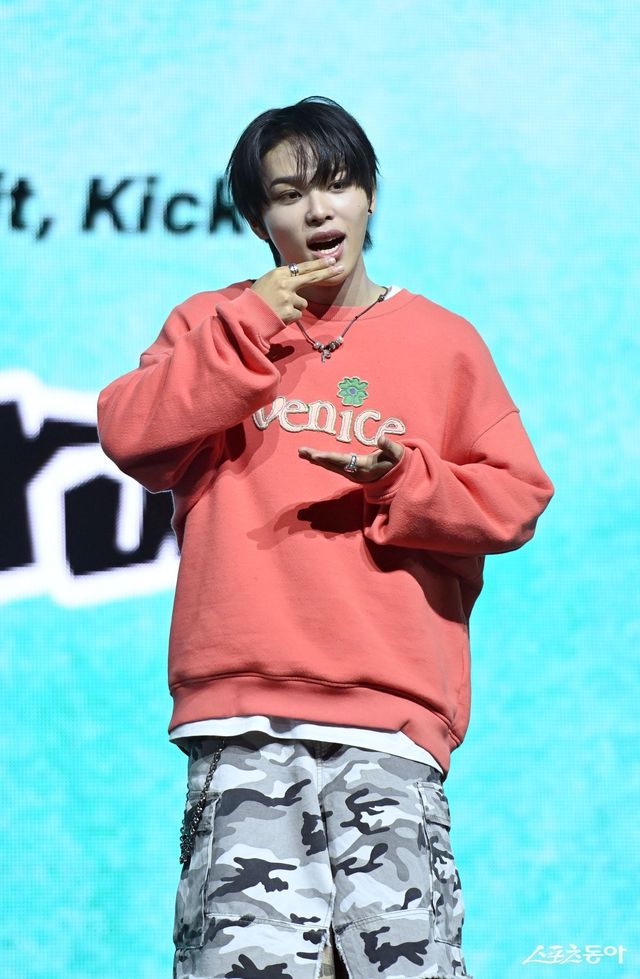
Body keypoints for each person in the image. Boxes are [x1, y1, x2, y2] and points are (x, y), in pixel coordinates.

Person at [97, 96, 554, 979]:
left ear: (369, 195)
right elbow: (131, 432)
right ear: (257, 217)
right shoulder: (209, 324)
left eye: (337, 184)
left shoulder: (443, 342)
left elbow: (515, 500)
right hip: (243, 718)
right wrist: (249, 323)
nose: (317, 211)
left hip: (390, 725)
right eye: (288, 194)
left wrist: (401, 478)